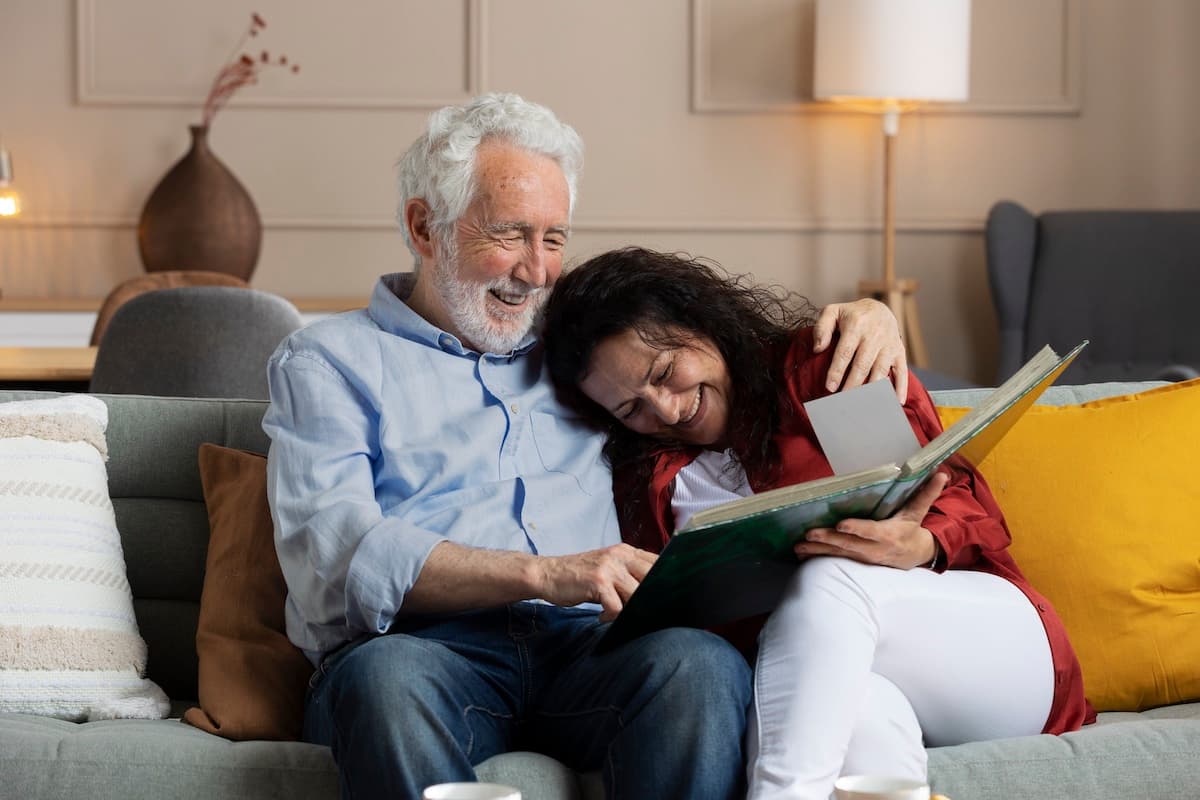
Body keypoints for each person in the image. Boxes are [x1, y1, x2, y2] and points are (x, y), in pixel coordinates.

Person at [262, 93, 907, 800]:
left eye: (555, 238)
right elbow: (335, 556)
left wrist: (868, 318)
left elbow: (717, 363)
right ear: (424, 225)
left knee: (697, 663)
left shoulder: (583, 357)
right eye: (510, 234)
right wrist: (542, 574)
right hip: (423, 653)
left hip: (587, 654)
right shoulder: (328, 361)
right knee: (383, 681)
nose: (537, 270)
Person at [541, 247, 1096, 800]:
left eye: (664, 372)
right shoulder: (650, 478)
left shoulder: (817, 375)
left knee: (828, 576)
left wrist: (922, 542)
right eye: (630, 409)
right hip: (844, 684)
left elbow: (967, 510)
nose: (663, 410)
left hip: (991, 651)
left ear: (698, 322)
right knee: (847, 723)